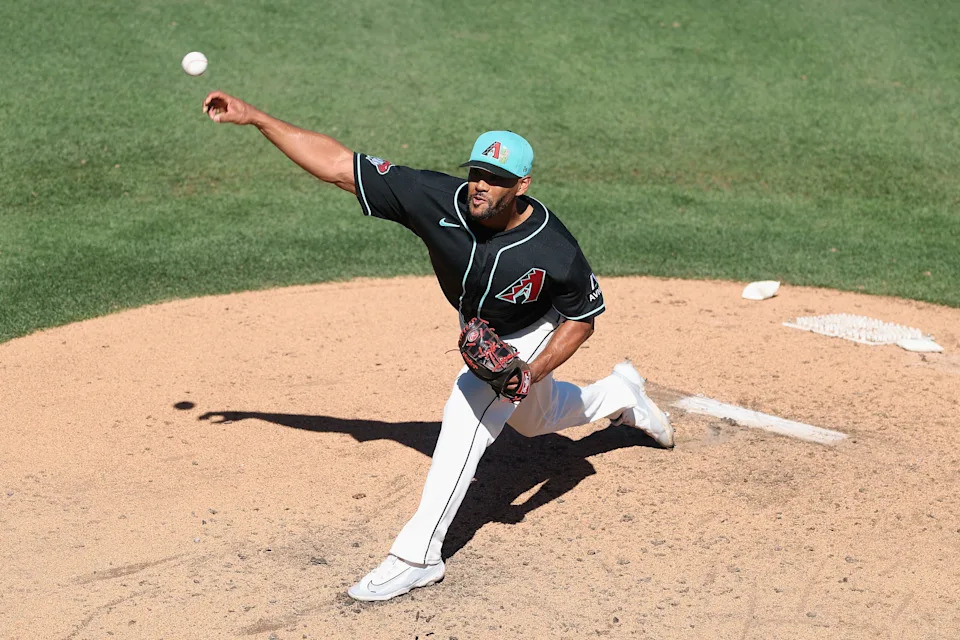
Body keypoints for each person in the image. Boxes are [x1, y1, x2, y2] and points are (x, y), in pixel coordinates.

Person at [201, 91, 675, 602]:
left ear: (522, 185)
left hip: (535, 329)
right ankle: (623, 393)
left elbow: (582, 320)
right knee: (537, 421)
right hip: (486, 331)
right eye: (476, 172)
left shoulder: (552, 247)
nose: (481, 185)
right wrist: (254, 118)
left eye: (495, 179)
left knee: (466, 415)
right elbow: (339, 165)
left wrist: (529, 371)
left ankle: (417, 555)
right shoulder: (433, 197)